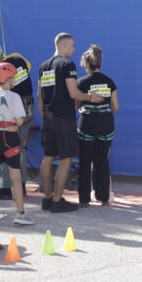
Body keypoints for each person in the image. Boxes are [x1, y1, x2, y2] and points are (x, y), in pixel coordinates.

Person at [37, 32, 96, 213]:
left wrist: (44, 115)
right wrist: (90, 97)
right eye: (72, 45)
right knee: (66, 158)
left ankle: (47, 199)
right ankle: (57, 201)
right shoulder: (67, 64)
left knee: (48, 157)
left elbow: (39, 95)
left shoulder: (43, 66)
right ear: (63, 46)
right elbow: (73, 93)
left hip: (48, 117)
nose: (74, 49)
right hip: (64, 118)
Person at [0, 62, 34, 226]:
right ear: (8, 79)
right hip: (10, 139)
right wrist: (11, 122)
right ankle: (20, 214)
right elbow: (20, 120)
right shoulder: (14, 97)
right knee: (15, 176)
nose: (15, 80)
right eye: (14, 77)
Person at [75, 44, 118, 207]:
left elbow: (77, 106)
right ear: (99, 62)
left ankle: (84, 200)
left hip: (87, 124)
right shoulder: (109, 82)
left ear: (87, 64)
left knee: (85, 162)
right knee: (103, 160)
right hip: (106, 125)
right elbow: (116, 106)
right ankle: (104, 197)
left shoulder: (81, 82)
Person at [0, 47, 34, 200]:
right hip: (28, 109)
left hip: (11, 111)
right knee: (20, 147)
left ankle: (7, 187)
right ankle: (21, 185)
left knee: (6, 147)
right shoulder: (18, 61)